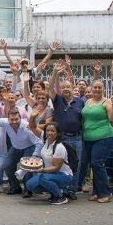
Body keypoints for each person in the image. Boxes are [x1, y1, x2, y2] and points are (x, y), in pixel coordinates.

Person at [0, 109, 43, 196]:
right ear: (8, 119)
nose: (14, 122)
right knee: (7, 166)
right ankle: (15, 187)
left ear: (20, 118)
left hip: (29, 147)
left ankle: (28, 190)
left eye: (16, 119)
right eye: (11, 119)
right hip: (15, 147)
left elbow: (39, 142)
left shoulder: (26, 126)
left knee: (27, 168)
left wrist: (34, 156)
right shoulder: (5, 122)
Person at [49, 63, 84, 198]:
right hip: (61, 139)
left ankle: (72, 190)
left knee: (76, 164)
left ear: (73, 88)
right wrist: (55, 73)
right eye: (63, 87)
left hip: (76, 138)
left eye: (68, 87)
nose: (66, 89)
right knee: (59, 164)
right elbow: (51, 87)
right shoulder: (57, 100)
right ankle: (59, 189)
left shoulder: (80, 102)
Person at [81, 80, 113, 203]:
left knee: (97, 163)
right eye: (95, 87)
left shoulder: (107, 102)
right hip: (88, 138)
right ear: (91, 88)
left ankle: (106, 193)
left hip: (104, 137)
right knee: (93, 165)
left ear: (103, 89)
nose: (97, 89)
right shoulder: (88, 101)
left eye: (99, 87)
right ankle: (97, 192)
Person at [26, 116, 74, 205]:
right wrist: (32, 116)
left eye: (52, 131)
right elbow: (32, 127)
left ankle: (60, 196)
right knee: (30, 185)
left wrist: (39, 170)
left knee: (42, 177)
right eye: (47, 130)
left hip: (64, 175)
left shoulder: (59, 147)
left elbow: (56, 168)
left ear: (58, 133)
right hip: (50, 174)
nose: (49, 133)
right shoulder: (45, 140)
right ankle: (55, 190)